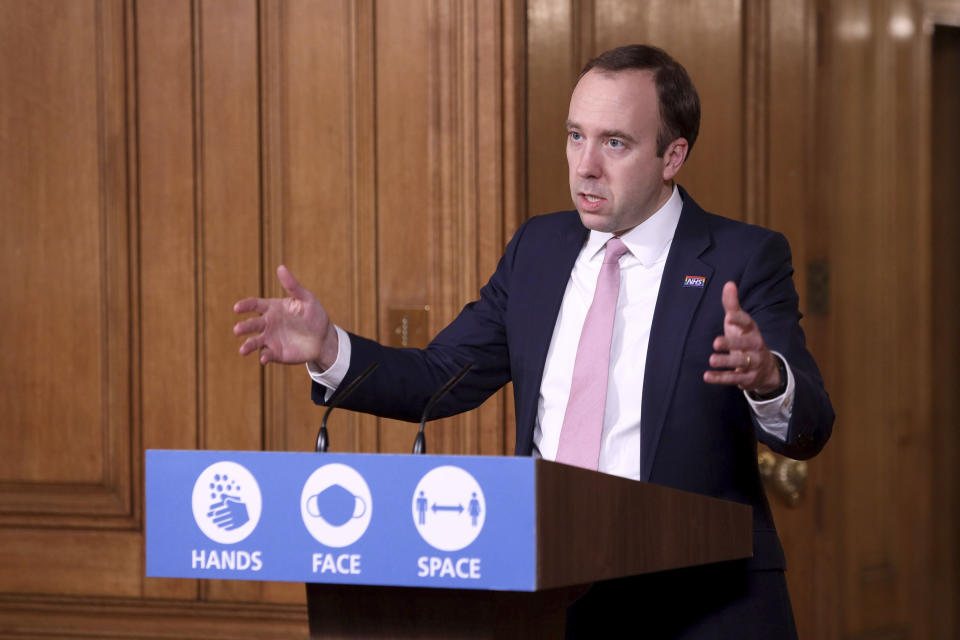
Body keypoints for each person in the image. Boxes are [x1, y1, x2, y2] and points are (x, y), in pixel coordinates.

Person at [234, 44, 833, 639]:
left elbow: (809, 426)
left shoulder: (741, 257)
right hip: (552, 599)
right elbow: (439, 376)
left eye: (614, 143)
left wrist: (769, 379)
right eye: (576, 136)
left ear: (672, 155)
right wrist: (328, 348)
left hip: (706, 605)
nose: (585, 165)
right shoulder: (538, 250)